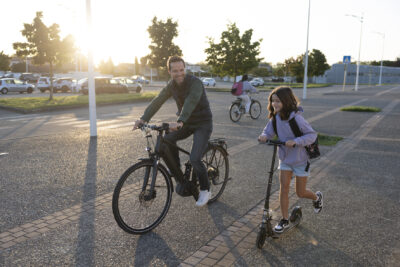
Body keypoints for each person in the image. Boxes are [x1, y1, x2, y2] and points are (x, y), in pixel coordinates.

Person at [133, 56, 213, 207]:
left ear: (185, 69)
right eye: (175, 71)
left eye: (182, 70)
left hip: (203, 123)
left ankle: (205, 189)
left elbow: (190, 101)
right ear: (169, 72)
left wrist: (180, 121)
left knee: (195, 158)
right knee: (168, 139)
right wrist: (143, 119)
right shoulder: (171, 85)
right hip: (186, 122)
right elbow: (158, 100)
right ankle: (178, 172)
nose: (179, 73)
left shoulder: (195, 83)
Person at [258, 86, 323, 233]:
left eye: (278, 101)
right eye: (273, 101)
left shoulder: (297, 119)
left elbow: (312, 135)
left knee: (300, 193)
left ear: (286, 102)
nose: (275, 104)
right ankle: (285, 219)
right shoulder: (275, 118)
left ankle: (316, 198)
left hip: (300, 159)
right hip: (285, 159)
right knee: (284, 189)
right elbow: (268, 131)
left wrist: (296, 141)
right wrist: (264, 136)